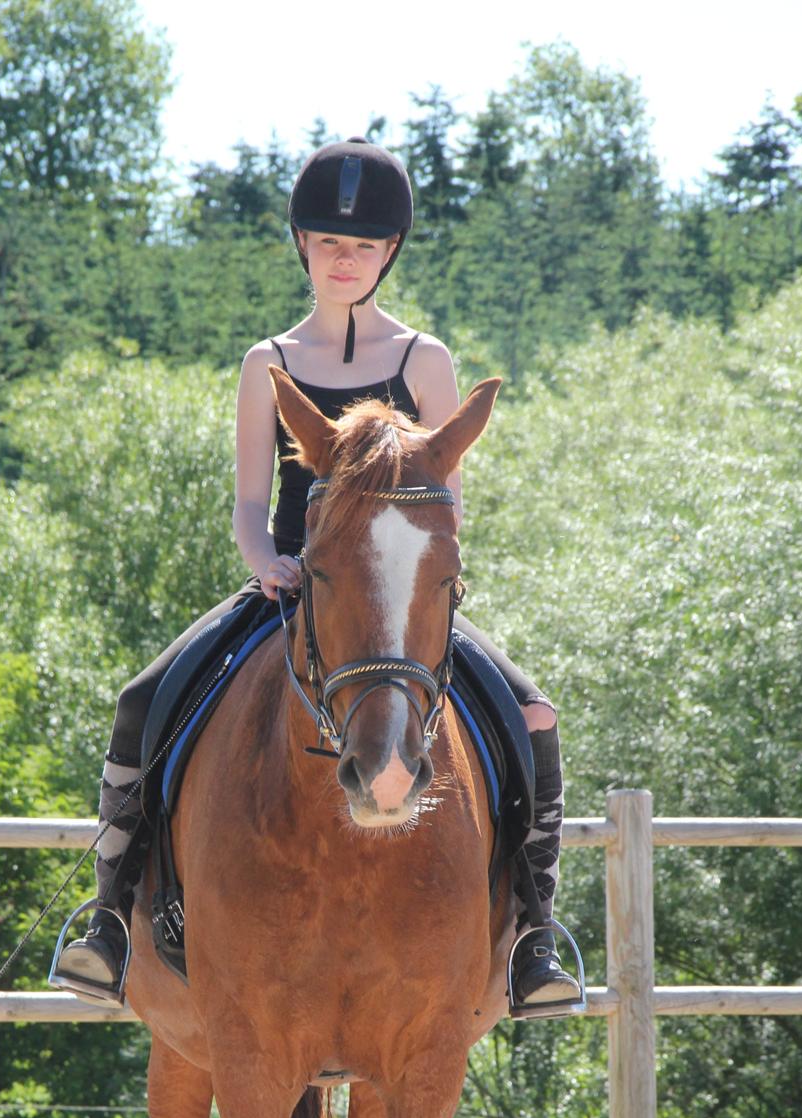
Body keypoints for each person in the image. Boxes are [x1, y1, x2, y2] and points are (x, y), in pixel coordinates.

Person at [53, 137, 581, 1014]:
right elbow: (248, 502)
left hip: (400, 597)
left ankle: (533, 931)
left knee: (530, 714)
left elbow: (446, 502)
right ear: (301, 245)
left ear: (389, 253)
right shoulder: (267, 362)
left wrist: (419, 582)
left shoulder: (424, 361)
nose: (345, 260)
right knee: (142, 700)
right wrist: (266, 562)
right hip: (293, 586)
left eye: (364, 246)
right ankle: (109, 919)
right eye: (330, 243)